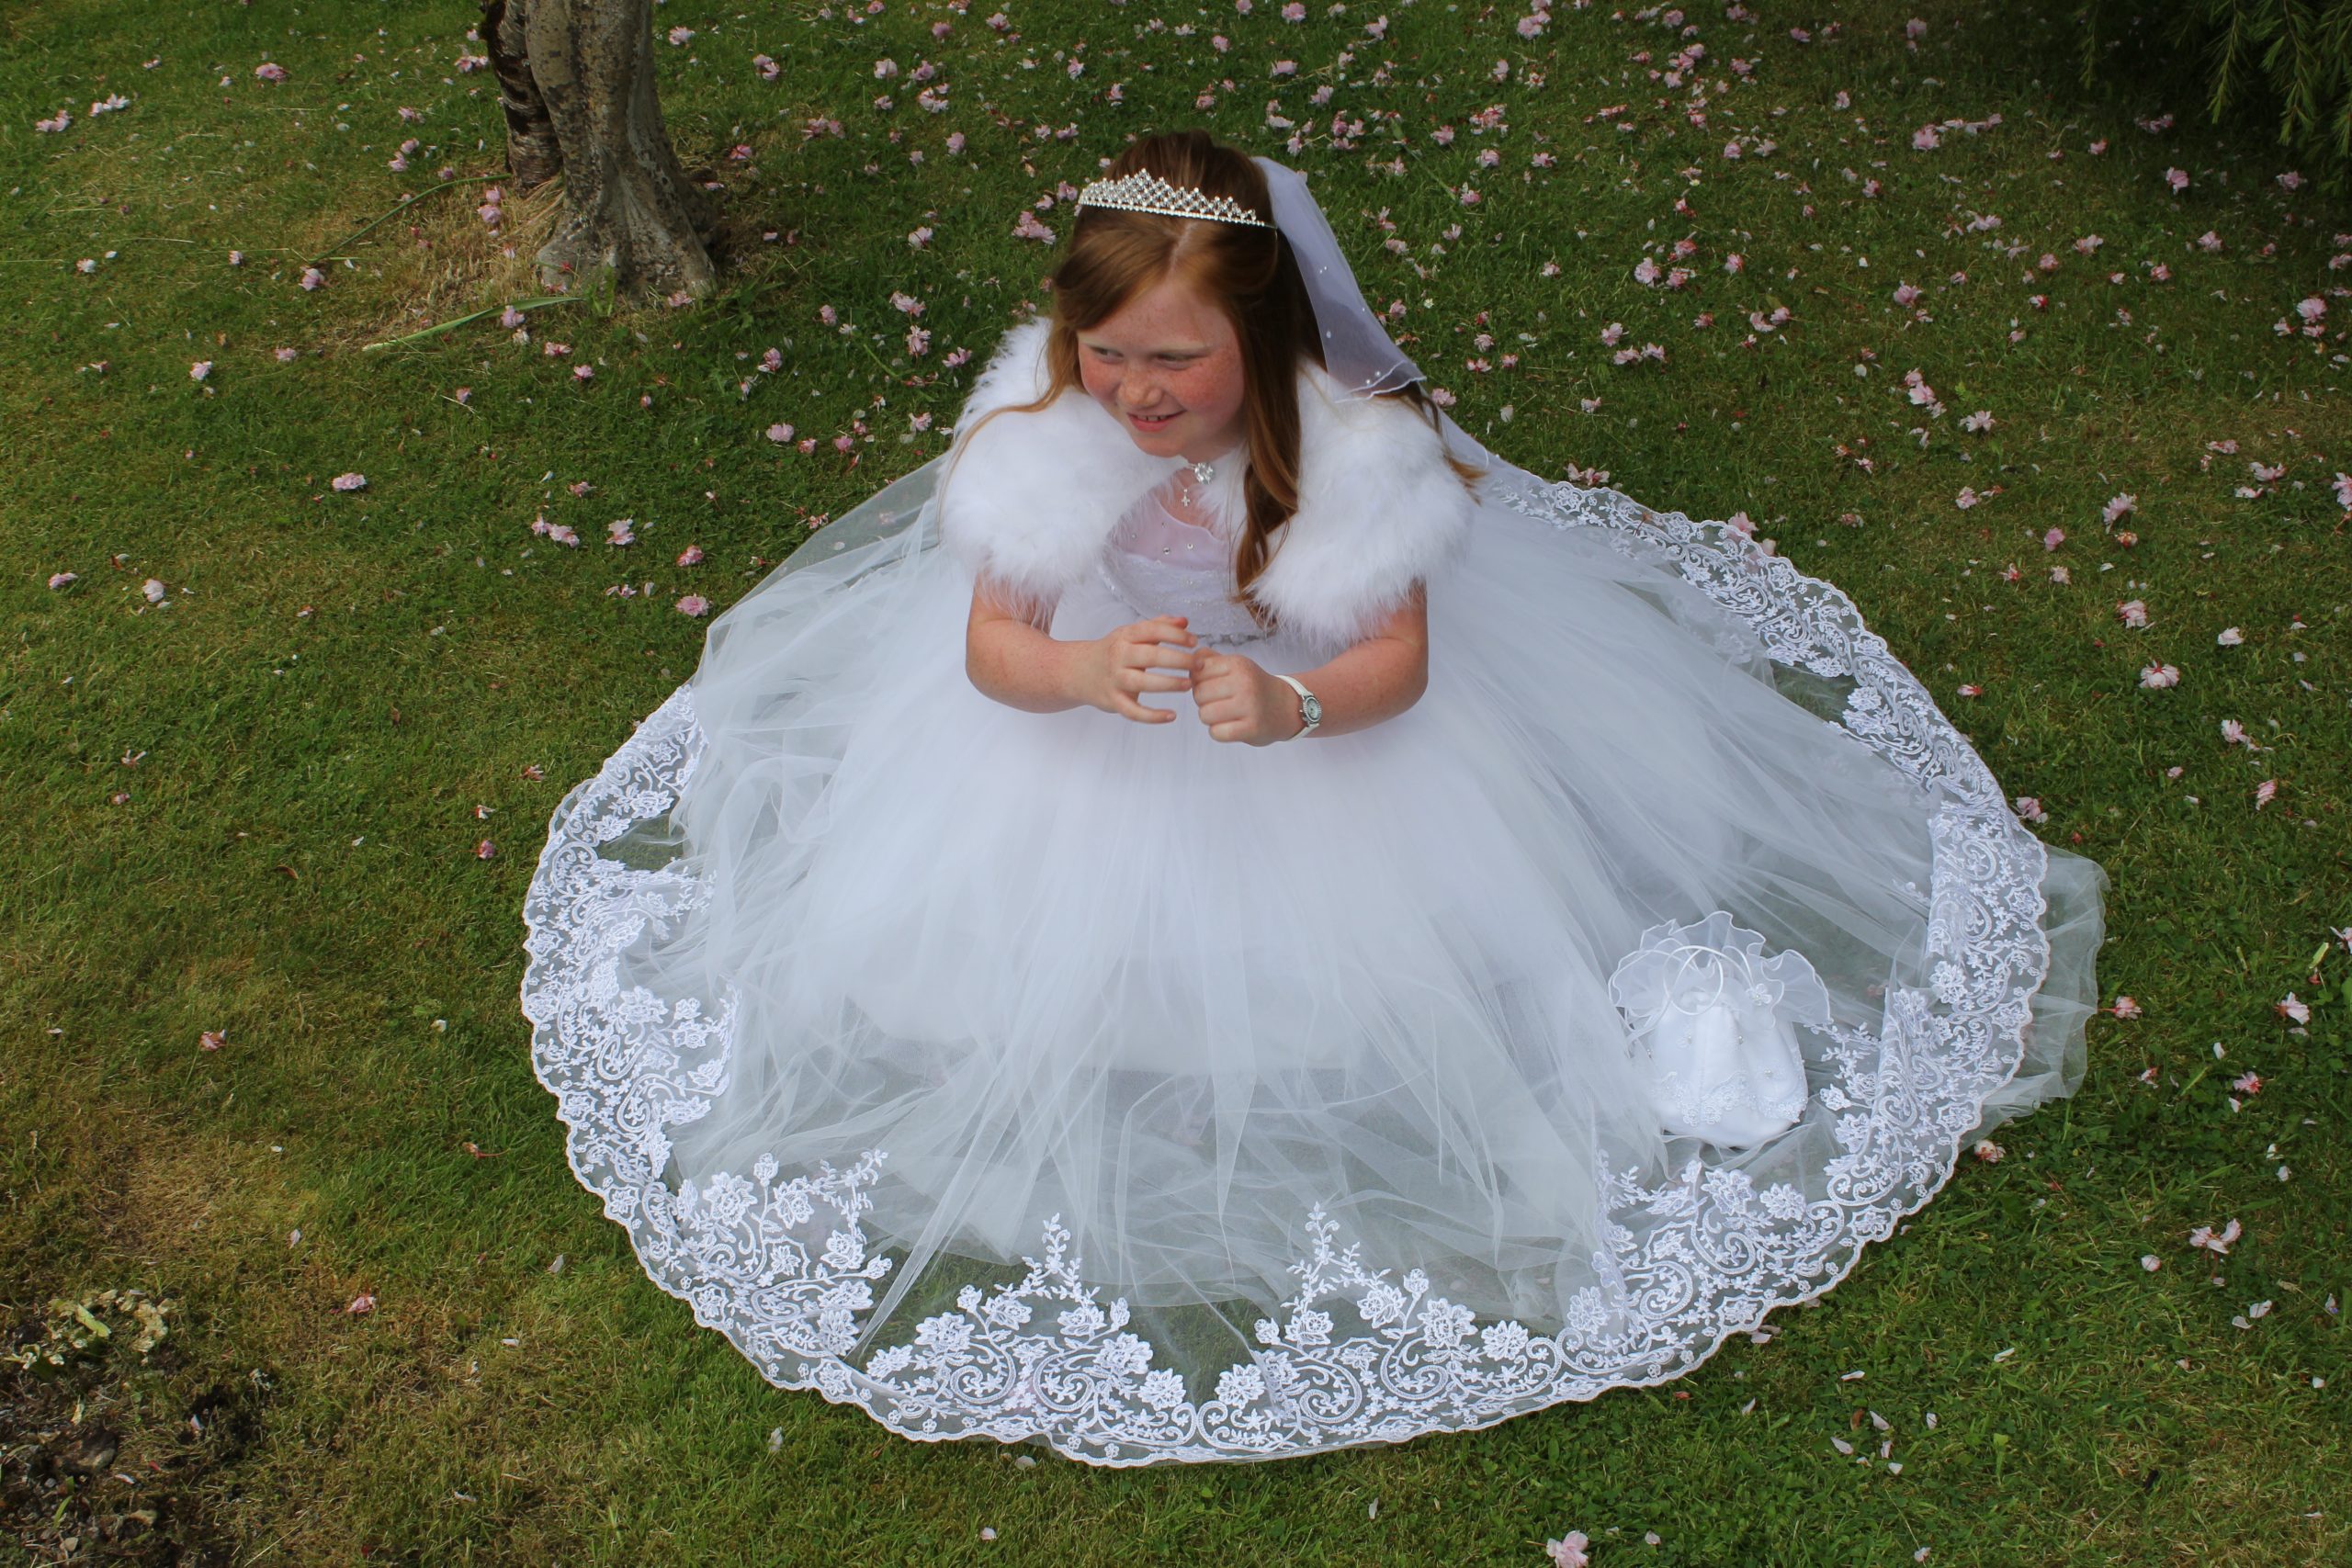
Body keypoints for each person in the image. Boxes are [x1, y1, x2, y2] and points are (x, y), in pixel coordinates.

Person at [520, 129, 2109, 1467]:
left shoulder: (1353, 456)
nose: (1137, 393)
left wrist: (1293, 702)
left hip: (1310, 726)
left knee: (1356, 964)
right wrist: (1076, 670)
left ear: (1268, 340)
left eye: (1177, 360)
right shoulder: (1045, 434)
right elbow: (993, 648)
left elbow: (1396, 665)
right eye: (1108, 354)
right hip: (1094, 718)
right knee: (983, 945)